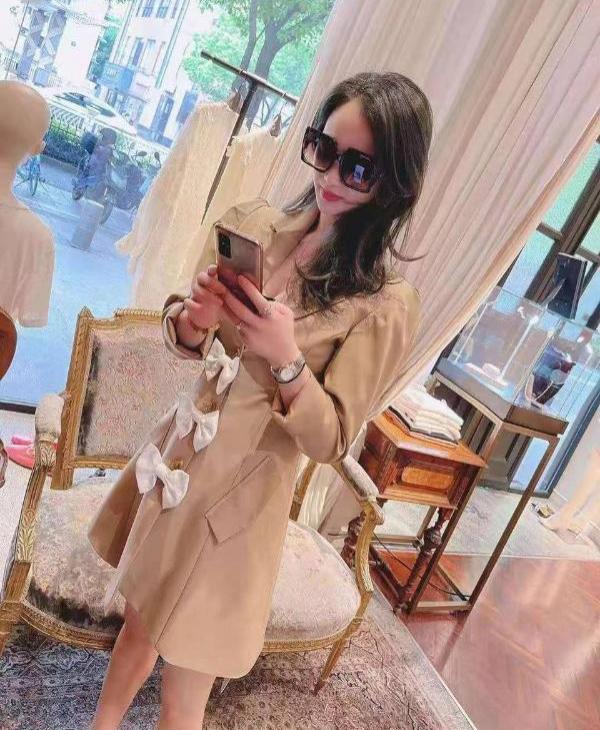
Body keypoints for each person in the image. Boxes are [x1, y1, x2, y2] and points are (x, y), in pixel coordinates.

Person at [87, 71, 432, 729]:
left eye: (359, 167)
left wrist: (287, 359)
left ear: (395, 180)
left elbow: (331, 440)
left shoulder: (384, 305)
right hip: (180, 467)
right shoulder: (257, 226)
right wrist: (194, 318)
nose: (332, 176)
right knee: (138, 624)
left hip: (237, 512)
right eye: (324, 149)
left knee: (186, 685)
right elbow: (188, 338)